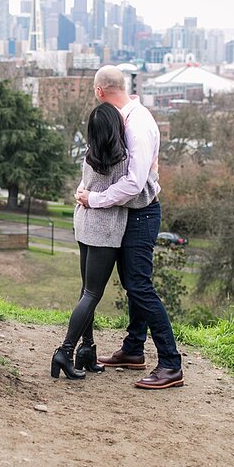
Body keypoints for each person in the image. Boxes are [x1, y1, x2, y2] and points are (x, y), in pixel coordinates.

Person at [75, 65, 184, 389]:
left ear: (99, 92)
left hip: (141, 214)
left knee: (139, 285)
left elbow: (134, 184)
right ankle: (134, 350)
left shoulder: (136, 125)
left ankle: (171, 364)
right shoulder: (125, 119)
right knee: (131, 282)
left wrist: (93, 199)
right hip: (128, 213)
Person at [52, 102, 158, 380]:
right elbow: (137, 194)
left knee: (86, 290)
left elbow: (85, 187)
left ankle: (87, 349)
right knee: (92, 294)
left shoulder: (90, 153)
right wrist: (154, 181)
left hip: (84, 224)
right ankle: (64, 351)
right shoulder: (121, 161)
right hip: (104, 231)